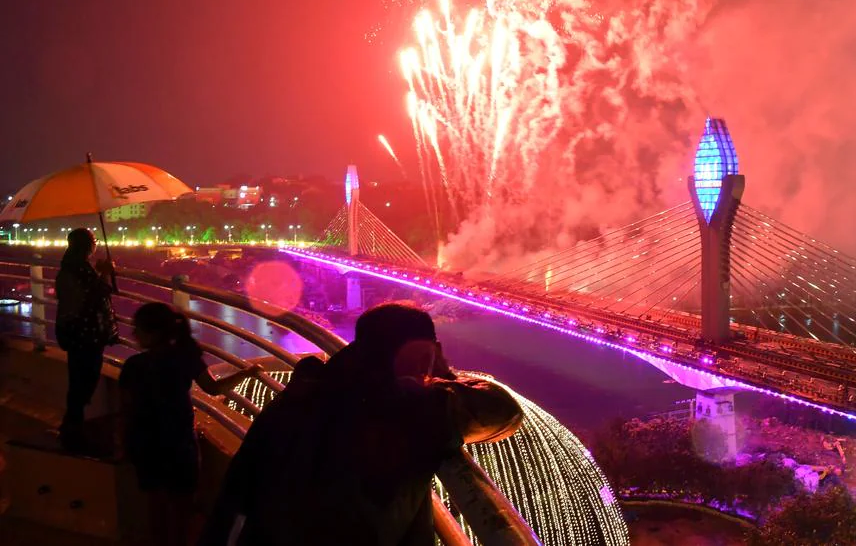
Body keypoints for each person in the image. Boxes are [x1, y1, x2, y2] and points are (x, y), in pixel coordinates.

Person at [199, 302, 525, 546]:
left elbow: (236, 492)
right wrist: (443, 375)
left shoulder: (305, 391)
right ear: (421, 353)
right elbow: (503, 412)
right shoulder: (413, 411)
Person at [120, 302, 263, 546]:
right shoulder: (185, 357)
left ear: (152, 333)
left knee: (156, 509)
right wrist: (247, 373)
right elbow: (213, 388)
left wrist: (125, 444)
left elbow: (127, 412)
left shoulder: (133, 367)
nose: (134, 334)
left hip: (147, 446)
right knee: (182, 511)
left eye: (138, 329)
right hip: (180, 443)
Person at [55, 227, 119, 451]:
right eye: (93, 240)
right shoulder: (80, 269)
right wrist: (105, 272)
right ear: (86, 245)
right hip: (85, 334)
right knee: (85, 380)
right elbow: (97, 294)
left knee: (78, 380)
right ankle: (73, 427)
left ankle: (72, 424)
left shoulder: (70, 266)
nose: (95, 244)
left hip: (75, 333)